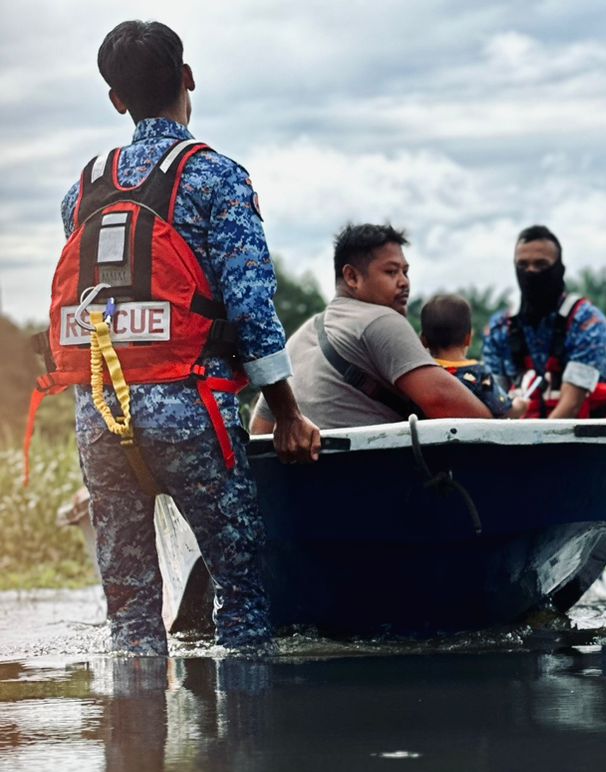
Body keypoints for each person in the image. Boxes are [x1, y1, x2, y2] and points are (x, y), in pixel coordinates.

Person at [39, 21, 320, 655]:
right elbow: (250, 308)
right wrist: (287, 415)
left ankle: (134, 743)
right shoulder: (216, 178)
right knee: (242, 599)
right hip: (191, 409)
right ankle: (247, 738)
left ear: (116, 100)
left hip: (101, 415)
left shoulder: (79, 191)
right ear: (189, 79)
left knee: (131, 614)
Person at [250, 225, 493, 432]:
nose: (404, 282)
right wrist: (504, 422)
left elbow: (260, 428)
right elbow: (446, 403)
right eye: (391, 271)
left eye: (405, 271)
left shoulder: (301, 336)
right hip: (372, 478)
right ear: (352, 277)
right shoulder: (380, 320)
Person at [483, 225, 606, 419]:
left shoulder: (587, 322)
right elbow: (494, 400)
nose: (531, 271)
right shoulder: (499, 328)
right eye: (523, 265)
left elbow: (572, 404)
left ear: (560, 269)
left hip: (585, 440)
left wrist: (536, 447)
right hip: (520, 440)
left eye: (541, 265)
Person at [418, 293, 513, 418]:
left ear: (423, 340)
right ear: (468, 339)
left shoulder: (422, 375)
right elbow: (502, 408)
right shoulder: (479, 373)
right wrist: (520, 405)